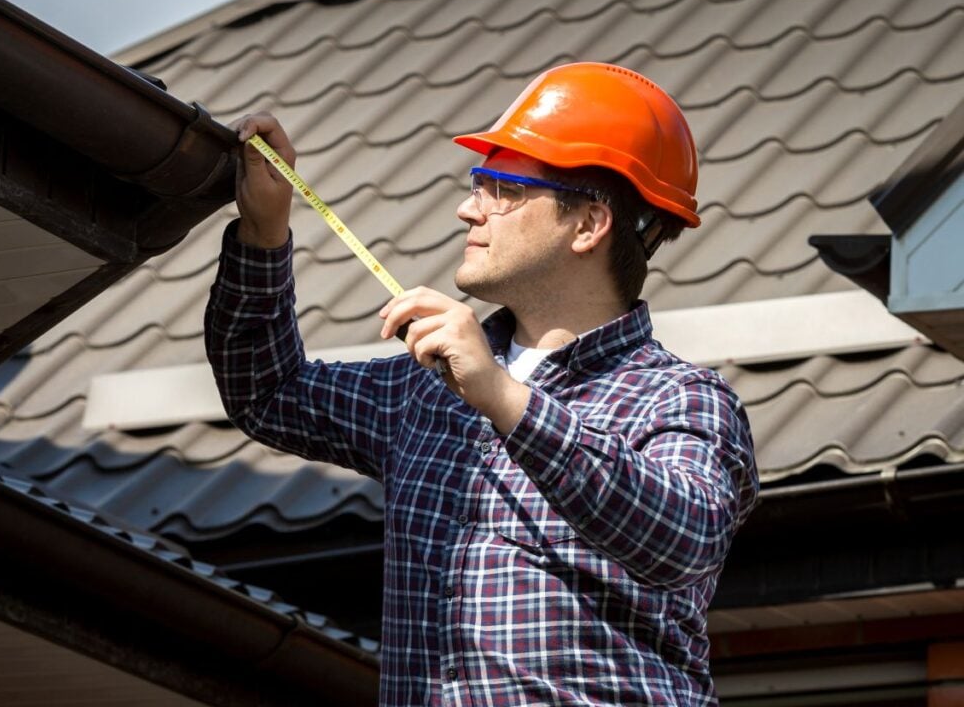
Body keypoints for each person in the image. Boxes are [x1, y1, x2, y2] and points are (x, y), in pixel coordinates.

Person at [205, 62, 758, 706]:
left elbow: (681, 541)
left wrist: (503, 398)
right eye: (478, 182)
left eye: (504, 187)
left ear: (588, 224)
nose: (469, 208)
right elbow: (264, 393)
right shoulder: (425, 390)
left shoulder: (680, 398)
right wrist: (264, 232)